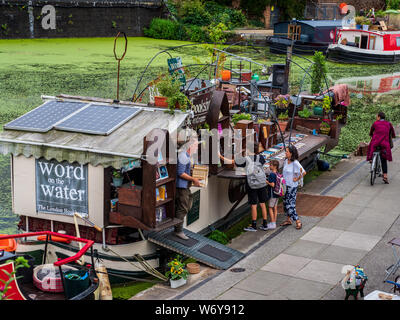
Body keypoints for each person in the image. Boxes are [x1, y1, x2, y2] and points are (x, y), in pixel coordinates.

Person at [219, 146, 269, 232]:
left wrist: (219, 156)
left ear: (249, 150)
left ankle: (253, 225)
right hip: (261, 183)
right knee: (262, 203)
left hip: (252, 184)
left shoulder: (246, 159)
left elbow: (231, 162)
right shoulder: (260, 157)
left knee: (254, 204)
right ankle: (265, 224)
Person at [175, 137, 201, 240]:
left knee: (187, 205)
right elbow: (180, 173)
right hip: (182, 186)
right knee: (183, 207)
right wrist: (193, 179)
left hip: (185, 186)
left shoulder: (187, 155)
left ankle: (177, 225)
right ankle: (178, 230)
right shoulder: (183, 156)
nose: (197, 147)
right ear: (190, 146)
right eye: (196, 145)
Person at [280, 145, 306, 230]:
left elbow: (303, 172)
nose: (285, 153)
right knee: (285, 203)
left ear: (291, 153)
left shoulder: (295, 163)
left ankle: (298, 221)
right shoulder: (286, 161)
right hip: (285, 185)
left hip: (292, 186)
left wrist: (297, 178)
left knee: (290, 205)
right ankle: (288, 219)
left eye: (287, 151)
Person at [367, 112, 396, 184]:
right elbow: (393, 133)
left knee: (371, 148)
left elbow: (371, 132)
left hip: (375, 142)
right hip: (384, 144)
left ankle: (371, 159)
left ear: (379, 117)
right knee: (383, 159)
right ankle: (385, 176)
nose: (376, 118)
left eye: (377, 116)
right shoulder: (389, 124)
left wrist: (371, 134)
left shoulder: (375, 123)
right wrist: (392, 136)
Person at [266, 160, 280, 230]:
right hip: (277, 193)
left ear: (274, 166)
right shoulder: (277, 173)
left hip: (272, 193)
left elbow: (272, 184)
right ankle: (274, 222)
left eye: (270, 165)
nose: (269, 166)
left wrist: (266, 181)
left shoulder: (272, 174)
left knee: (270, 207)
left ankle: (272, 223)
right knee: (275, 207)